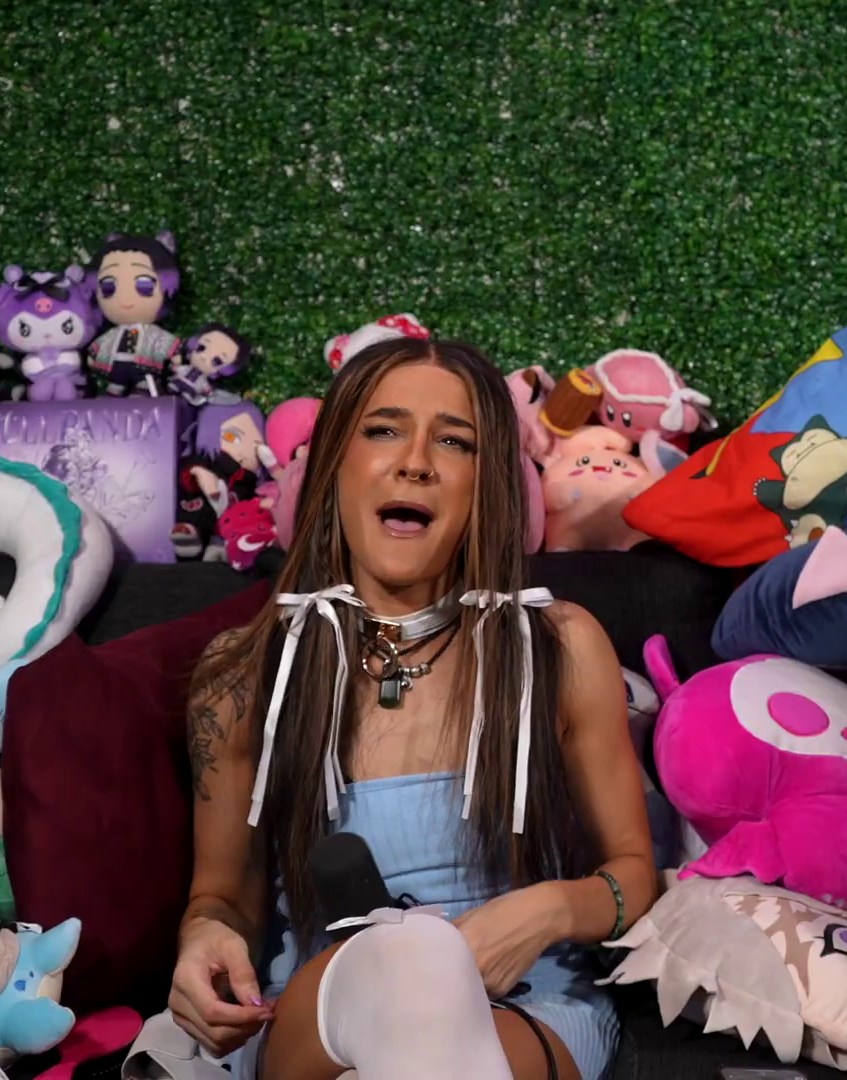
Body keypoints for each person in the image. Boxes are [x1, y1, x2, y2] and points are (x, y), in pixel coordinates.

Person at [166, 324, 657, 1080]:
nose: (416, 462)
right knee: (405, 966)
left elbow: (634, 875)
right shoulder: (244, 674)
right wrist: (204, 938)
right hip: (318, 1014)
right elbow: (221, 898)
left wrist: (551, 909)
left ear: (487, 484)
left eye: (454, 442)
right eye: (383, 430)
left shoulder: (557, 646)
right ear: (334, 465)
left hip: (524, 1008)